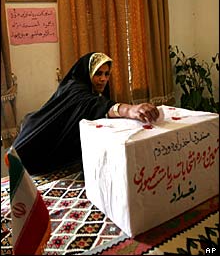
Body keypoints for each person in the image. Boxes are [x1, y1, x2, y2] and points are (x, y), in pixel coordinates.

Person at [12, 52, 159, 175]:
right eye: (98, 74)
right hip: (35, 150)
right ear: (87, 72)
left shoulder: (87, 89)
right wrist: (128, 109)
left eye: (107, 74)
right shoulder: (75, 89)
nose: (103, 79)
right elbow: (92, 104)